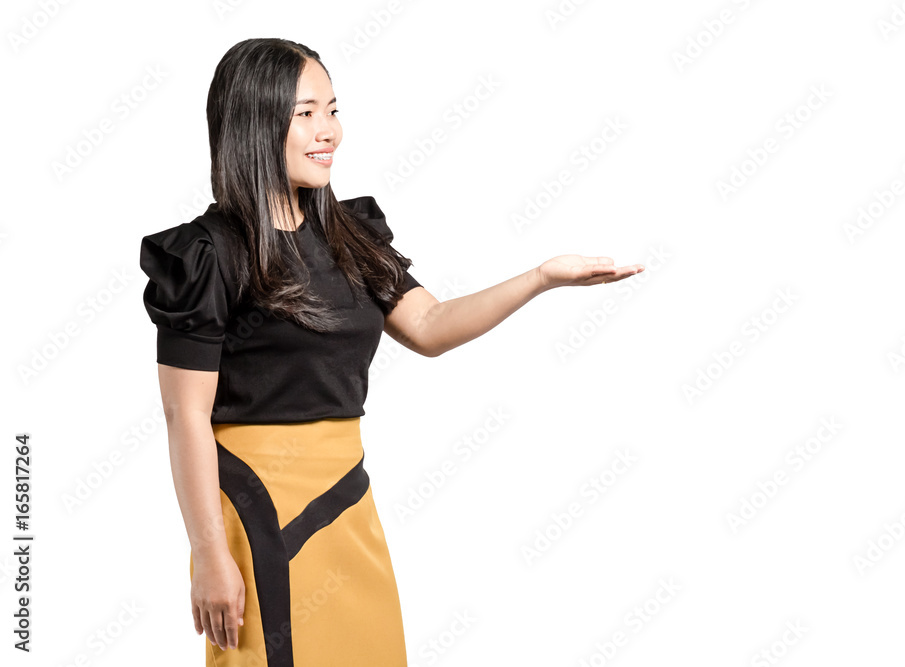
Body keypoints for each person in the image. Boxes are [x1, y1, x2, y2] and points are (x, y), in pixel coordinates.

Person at [138, 37, 643, 667]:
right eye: (305, 113)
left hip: (347, 499)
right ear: (252, 122)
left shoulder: (349, 235)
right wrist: (210, 553)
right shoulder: (207, 254)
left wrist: (541, 277)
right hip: (257, 505)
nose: (328, 130)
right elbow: (185, 415)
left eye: (332, 110)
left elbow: (429, 325)